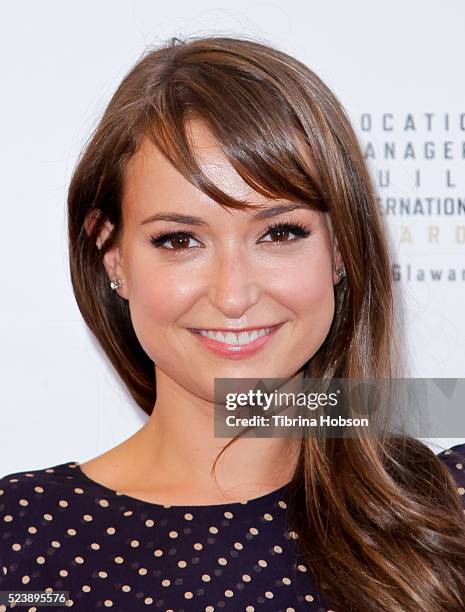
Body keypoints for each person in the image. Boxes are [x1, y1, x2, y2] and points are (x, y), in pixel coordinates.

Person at [1, 35, 465, 612]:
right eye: (179, 240)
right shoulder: (18, 535)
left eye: (279, 233)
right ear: (112, 254)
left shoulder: (448, 506)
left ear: (341, 248)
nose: (233, 294)